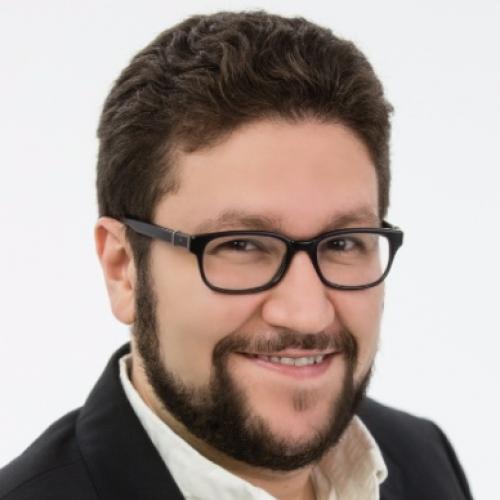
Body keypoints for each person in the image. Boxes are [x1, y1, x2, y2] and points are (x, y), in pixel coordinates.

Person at [0, 10, 472, 500]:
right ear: (123, 269)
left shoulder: (422, 458)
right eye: (241, 245)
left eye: (342, 243)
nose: (306, 313)